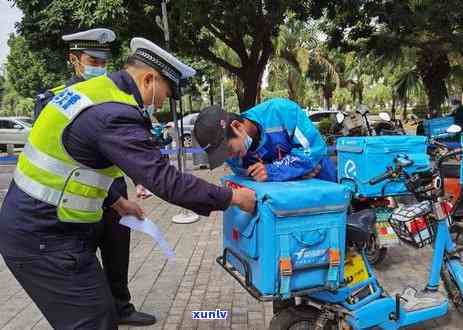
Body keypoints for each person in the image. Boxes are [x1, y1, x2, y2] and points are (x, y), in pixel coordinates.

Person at [0, 37, 256, 329]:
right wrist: (233, 198)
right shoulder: (115, 113)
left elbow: (75, 162)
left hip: (48, 228)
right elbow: (165, 180)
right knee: (95, 321)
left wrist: (118, 201)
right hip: (43, 238)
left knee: (103, 312)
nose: (160, 103)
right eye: (165, 94)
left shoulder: (95, 93)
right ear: (149, 79)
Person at [32, 28, 156, 326]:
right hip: (77, 199)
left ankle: (122, 307)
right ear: (74, 60)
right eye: (92, 60)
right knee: (82, 258)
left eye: (104, 62)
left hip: (112, 190)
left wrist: (139, 177)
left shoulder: (115, 98)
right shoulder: (55, 99)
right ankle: (96, 311)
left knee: (117, 253)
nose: (99, 68)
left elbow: (127, 146)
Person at [193, 98, 336, 182]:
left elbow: (314, 150)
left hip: (323, 186)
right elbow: (254, 180)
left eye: (228, 150)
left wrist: (274, 171)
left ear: (236, 126)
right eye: (222, 156)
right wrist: (297, 172)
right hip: (286, 205)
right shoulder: (233, 157)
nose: (229, 158)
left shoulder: (282, 111)